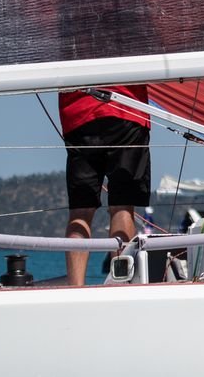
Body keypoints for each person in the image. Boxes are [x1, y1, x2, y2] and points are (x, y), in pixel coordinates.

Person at [59, 86, 151, 286]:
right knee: (122, 208)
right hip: (126, 108)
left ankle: (75, 288)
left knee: (80, 211)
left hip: (79, 112)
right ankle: (121, 285)